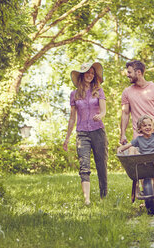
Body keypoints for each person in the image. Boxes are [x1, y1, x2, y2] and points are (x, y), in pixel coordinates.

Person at [63, 62, 108, 205]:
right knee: (84, 165)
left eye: (92, 73)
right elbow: (72, 118)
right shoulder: (74, 94)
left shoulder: (99, 91)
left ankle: (103, 196)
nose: (90, 75)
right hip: (82, 133)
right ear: (82, 75)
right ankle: (87, 199)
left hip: (98, 131)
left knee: (101, 163)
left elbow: (103, 111)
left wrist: (100, 116)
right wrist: (67, 138)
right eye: (87, 72)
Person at [120, 60, 154, 145]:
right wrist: (122, 134)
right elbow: (125, 114)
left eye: (129, 72)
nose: (128, 75)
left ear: (138, 72)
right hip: (139, 138)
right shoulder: (126, 92)